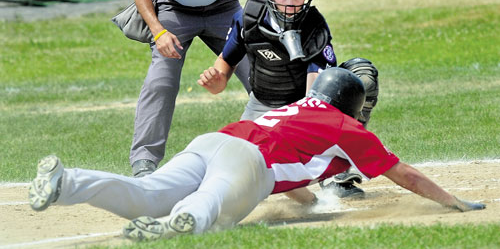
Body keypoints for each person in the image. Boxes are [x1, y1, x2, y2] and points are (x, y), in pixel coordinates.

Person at [28, 68, 485, 242]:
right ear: (350, 104)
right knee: (216, 212)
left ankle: (68, 182)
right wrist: (454, 203)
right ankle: (178, 224)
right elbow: (401, 173)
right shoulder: (346, 127)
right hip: (248, 161)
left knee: (148, 193)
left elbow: (297, 173)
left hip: (213, 141)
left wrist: (311, 201)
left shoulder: (293, 110)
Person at [197, 0, 378, 199]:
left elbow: (314, 102)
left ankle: (338, 166)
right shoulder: (251, 15)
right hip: (262, 104)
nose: (291, 3)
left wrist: (297, 134)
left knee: (363, 75)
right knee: (240, 167)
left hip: (304, 106)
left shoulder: (314, 27)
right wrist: (216, 80)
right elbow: (224, 68)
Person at [129, 0, 264, 177]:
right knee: (161, 80)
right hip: (174, 10)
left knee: (262, 72)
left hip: (224, 8)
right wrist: (159, 33)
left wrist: (264, 8)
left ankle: (282, 148)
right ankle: (144, 162)